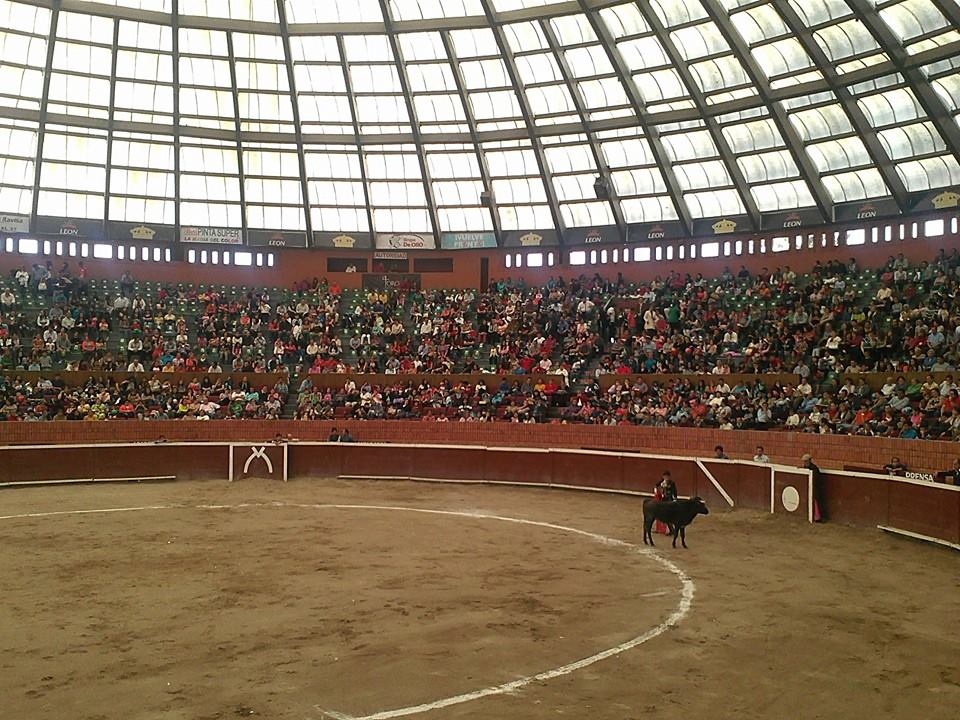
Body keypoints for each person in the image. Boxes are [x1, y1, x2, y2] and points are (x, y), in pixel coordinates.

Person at [802, 453, 826, 522]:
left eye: (806, 461)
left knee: (816, 502)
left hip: (815, 488)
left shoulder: (814, 468)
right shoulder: (806, 467)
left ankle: (818, 517)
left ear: (809, 460)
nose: (805, 462)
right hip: (810, 488)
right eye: (804, 461)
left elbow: (817, 479)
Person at [652, 471, 678, 535]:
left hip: (669, 501)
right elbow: (656, 485)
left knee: (668, 515)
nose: (666, 477)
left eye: (667, 476)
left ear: (669, 477)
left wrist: (675, 499)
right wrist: (656, 492)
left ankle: (671, 530)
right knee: (662, 515)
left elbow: (675, 491)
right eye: (664, 476)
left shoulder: (672, 483)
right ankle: (660, 529)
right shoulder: (662, 481)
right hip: (663, 500)